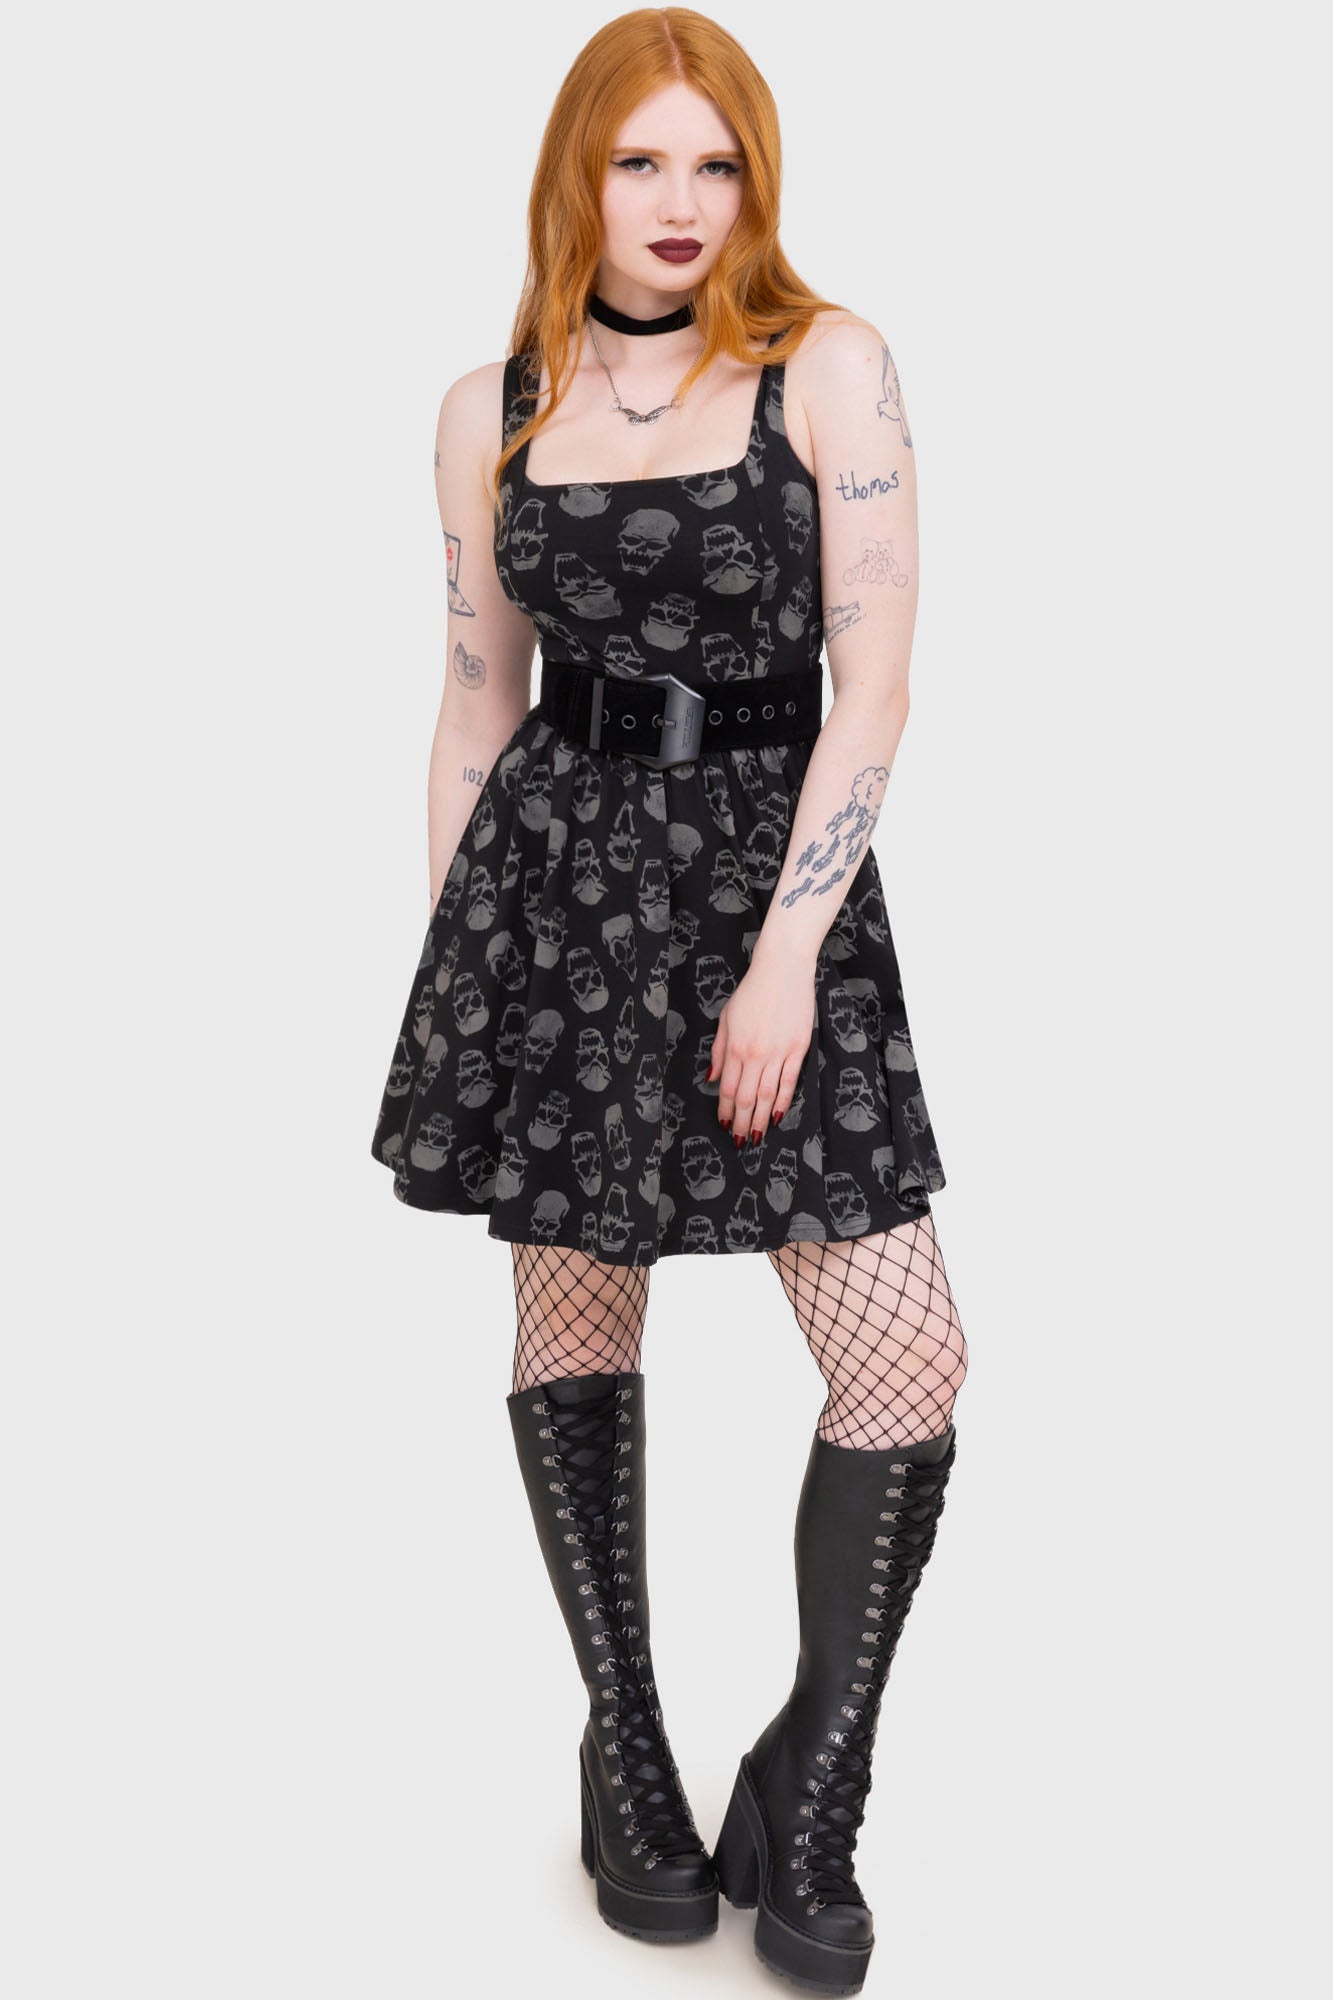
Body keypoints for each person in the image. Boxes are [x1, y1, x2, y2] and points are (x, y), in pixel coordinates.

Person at [369, 10, 968, 1992]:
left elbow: (875, 684)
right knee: (574, 1316)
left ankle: (813, 1776)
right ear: (581, 174)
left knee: (905, 1352)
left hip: (771, 883)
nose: (681, 201)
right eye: (642, 162)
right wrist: (463, 974)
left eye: (716, 165)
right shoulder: (491, 403)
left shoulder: (825, 364)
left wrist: (785, 953)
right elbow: (476, 702)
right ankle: (622, 1742)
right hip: (555, 891)